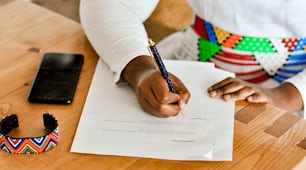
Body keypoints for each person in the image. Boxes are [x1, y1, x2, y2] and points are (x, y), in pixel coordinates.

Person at [79, 0, 306, 118]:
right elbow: (112, 4)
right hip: (189, 63)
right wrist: (139, 67)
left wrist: (287, 96)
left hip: (295, 88)